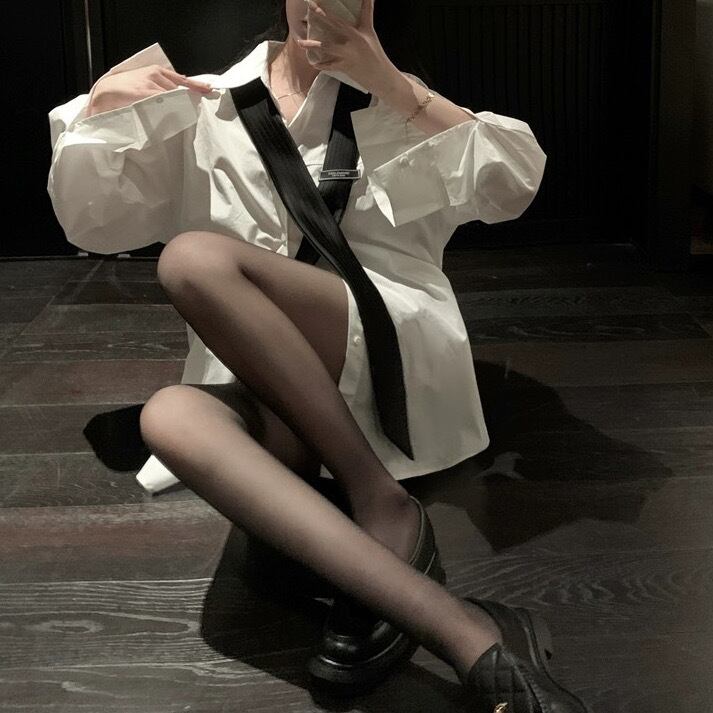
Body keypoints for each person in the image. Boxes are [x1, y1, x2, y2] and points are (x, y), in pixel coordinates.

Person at [48, 0, 590, 709]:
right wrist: (100, 110)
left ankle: (372, 494)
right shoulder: (206, 103)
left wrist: (392, 84)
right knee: (169, 416)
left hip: (388, 350)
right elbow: (93, 224)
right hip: (270, 376)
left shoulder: (399, 101)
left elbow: (512, 185)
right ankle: (466, 630)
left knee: (192, 261)